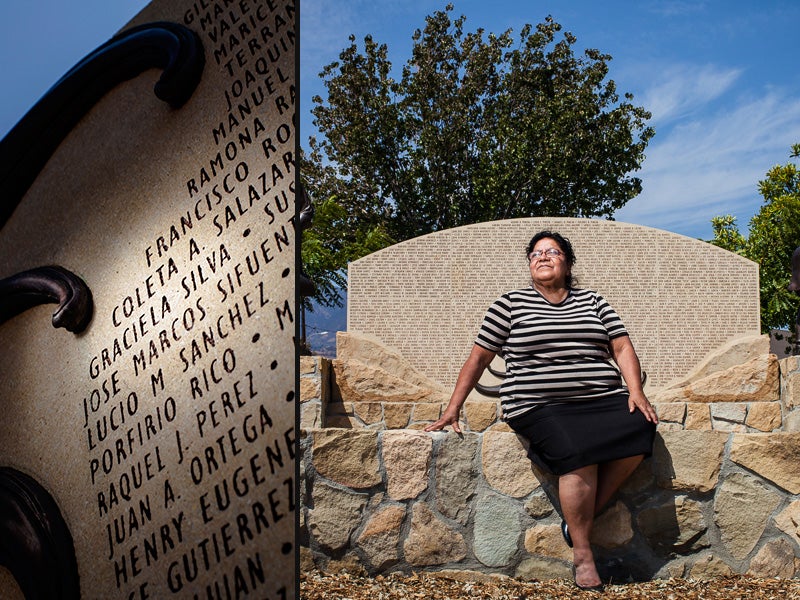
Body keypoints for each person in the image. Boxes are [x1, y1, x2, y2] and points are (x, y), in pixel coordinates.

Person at [424, 230, 658, 591]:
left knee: (641, 428)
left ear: (568, 262)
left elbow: (622, 347)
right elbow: (478, 357)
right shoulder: (509, 304)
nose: (543, 257)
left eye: (552, 252)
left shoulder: (594, 301)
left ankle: (582, 514)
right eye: (535, 254)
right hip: (537, 403)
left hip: (600, 398)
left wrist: (636, 392)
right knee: (577, 453)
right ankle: (583, 555)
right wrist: (453, 408)